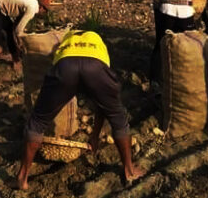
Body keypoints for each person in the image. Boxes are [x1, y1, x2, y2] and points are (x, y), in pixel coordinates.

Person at [15, 30, 145, 189]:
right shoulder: (98, 41)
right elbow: (101, 104)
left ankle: (22, 177)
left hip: (66, 67)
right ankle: (129, 170)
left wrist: (95, 134)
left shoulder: (66, 41)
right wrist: (95, 135)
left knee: (38, 122)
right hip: (95, 68)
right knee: (118, 120)